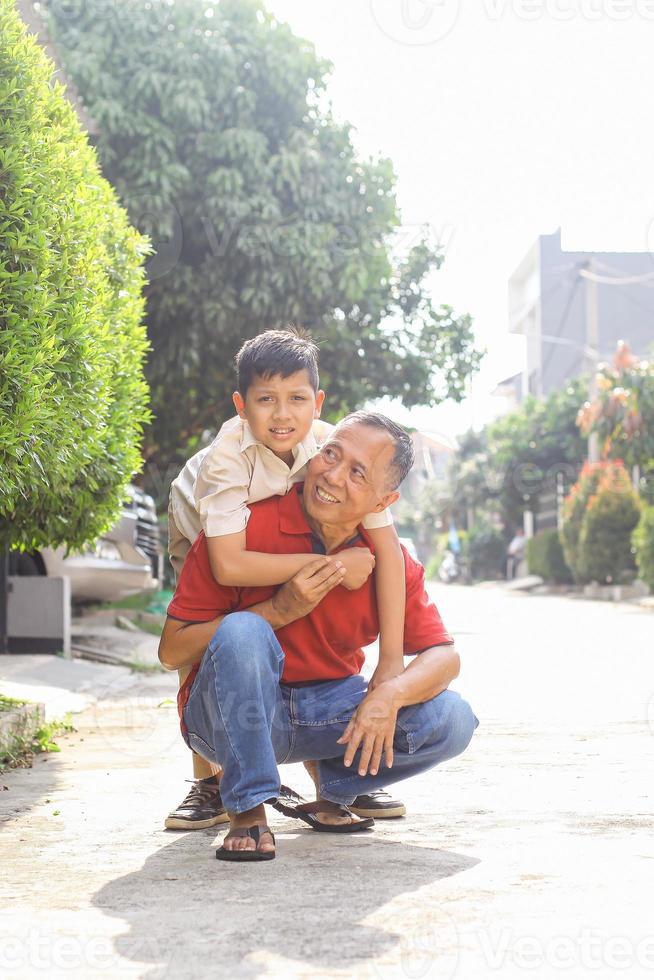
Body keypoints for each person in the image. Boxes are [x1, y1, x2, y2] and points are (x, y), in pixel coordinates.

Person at [158, 411, 478, 862]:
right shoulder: (241, 530)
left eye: (357, 473)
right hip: (229, 720)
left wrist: (391, 695)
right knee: (244, 629)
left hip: (323, 715)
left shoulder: (386, 562)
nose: (332, 475)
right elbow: (172, 651)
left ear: (383, 500)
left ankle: (336, 785)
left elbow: (444, 656)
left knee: (452, 717)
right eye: (331, 454)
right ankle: (247, 806)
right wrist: (277, 610)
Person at [164, 329, 407, 830]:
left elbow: (387, 552)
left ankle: (335, 784)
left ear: (317, 403)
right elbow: (229, 564)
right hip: (203, 522)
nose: (282, 415)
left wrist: (390, 664)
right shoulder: (224, 462)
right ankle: (208, 781)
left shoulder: (332, 445)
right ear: (241, 405)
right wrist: (331, 568)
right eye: (265, 400)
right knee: (207, 637)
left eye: (297, 399)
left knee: (304, 614)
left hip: (272, 533)